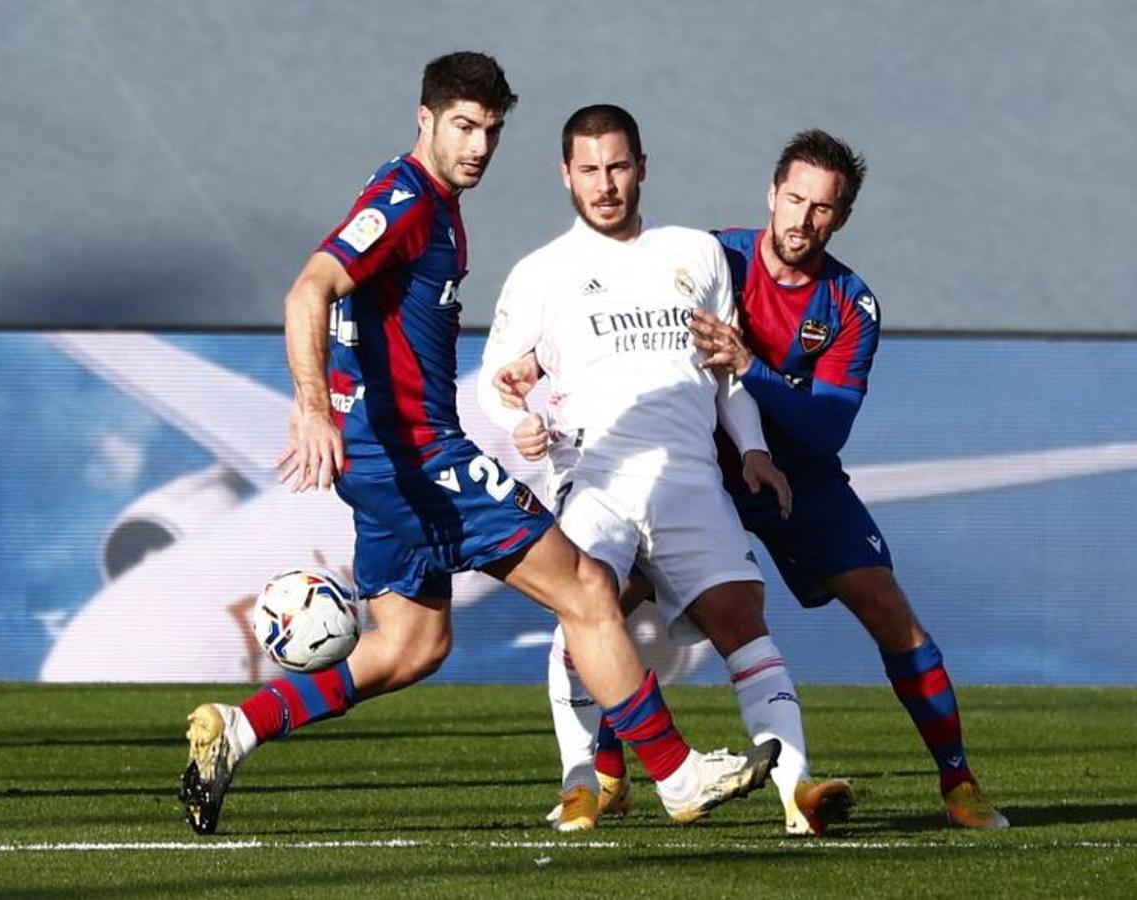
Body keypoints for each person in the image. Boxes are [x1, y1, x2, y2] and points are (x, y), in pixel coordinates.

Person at [178, 53, 777, 837]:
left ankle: (241, 725)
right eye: (463, 125)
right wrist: (314, 406)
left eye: (491, 130)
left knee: (411, 645)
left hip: (388, 463)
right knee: (589, 590)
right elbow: (308, 289)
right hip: (421, 456)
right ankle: (675, 773)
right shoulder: (407, 200)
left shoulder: (425, 201)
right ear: (424, 118)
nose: (478, 146)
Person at [496, 129, 1009, 830]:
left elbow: (826, 428)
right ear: (771, 193)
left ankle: (958, 782)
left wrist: (751, 371)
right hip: (695, 470)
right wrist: (534, 378)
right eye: (793, 198)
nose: (802, 219)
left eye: (822, 208)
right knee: (601, 602)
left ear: (842, 217)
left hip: (794, 476)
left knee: (894, 618)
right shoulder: (709, 255)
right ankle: (604, 775)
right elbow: (603, 330)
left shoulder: (850, 304)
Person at [478, 104, 853, 836]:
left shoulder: (695, 254)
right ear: (566, 176)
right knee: (583, 614)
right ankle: (581, 782)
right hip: (595, 474)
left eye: (618, 166)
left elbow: (725, 369)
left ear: (642, 167)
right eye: (589, 170)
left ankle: (797, 794)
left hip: (688, 476)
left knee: (743, 617)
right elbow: (497, 374)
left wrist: (752, 450)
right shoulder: (540, 274)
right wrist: (515, 421)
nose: (605, 184)